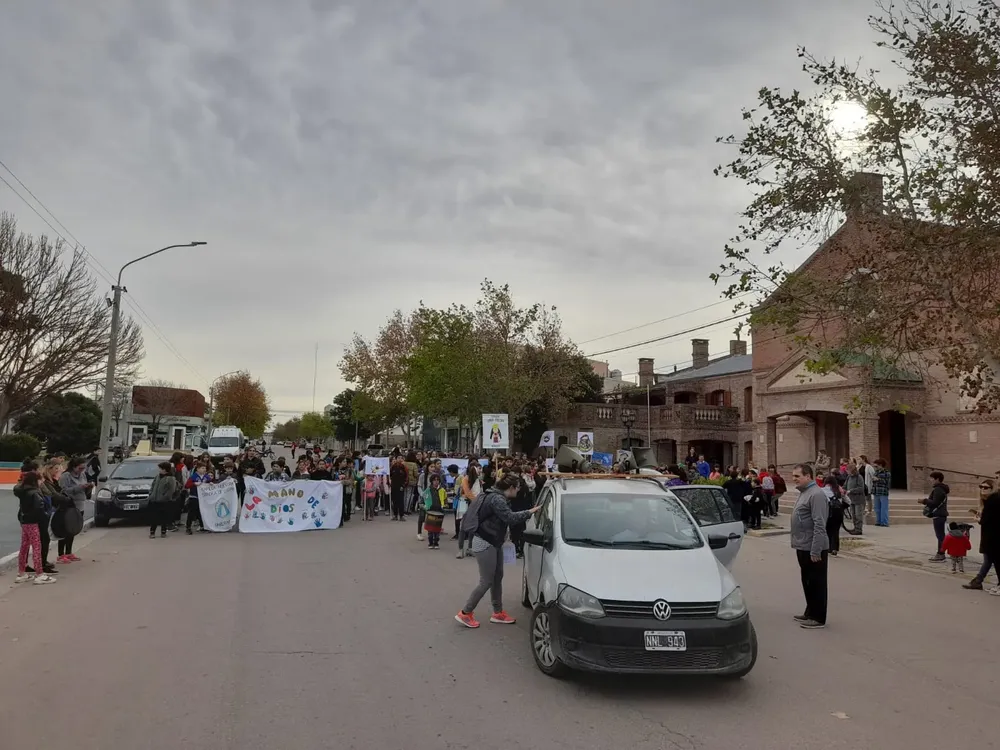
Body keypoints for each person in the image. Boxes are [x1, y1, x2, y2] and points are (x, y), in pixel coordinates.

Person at [455, 475, 540, 629]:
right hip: (485, 542)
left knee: (497, 577)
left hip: (494, 541)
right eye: (518, 488)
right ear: (512, 488)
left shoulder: (493, 495)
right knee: (486, 580)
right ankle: (465, 613)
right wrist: (530, 512)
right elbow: (510, 518)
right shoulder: (497, 499)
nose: (519, 491)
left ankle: (498, 612)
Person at [789, 463, 830, 629]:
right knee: (807, 581)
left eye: (797, 476)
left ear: (808, 476)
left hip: (813, 547)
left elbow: (820, 524)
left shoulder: (816, 495)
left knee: (816, 582)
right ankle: (809, 611)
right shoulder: (805, 493)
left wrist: (816, 549)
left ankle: (818, 617)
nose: (794, 479)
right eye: (793, 476)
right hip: (802, 545)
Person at [13, 471, 57, 585]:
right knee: (37, 546)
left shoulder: (22, 491)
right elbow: (39, 510)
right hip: (33, 522)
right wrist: (46, 515)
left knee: (24, 546)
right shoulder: (35, 493)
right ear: (35, 481)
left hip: (25, 521)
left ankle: (21, 573)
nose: (42, 481)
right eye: (40, 479)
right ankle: (39, 573)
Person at [964, 479, 1000, 593]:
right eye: (981, 487)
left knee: (994, 560)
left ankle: (979, 581)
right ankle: (978, 581)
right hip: (990, 535)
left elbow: (987, 520)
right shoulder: (989, 500)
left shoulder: (993, 500)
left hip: (992, 536)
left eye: (986, 487)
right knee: (989, 560)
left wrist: (979, 519)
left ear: (992, 488)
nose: (982, 489)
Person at [57, 457, 91, 562]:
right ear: (74, 467)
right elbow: (64, 491)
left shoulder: (82, 475)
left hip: (80, 505)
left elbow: (85, 490)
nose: (82, 470)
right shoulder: (66, 476)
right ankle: (61, 554)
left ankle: (69, 552)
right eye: (80, 468)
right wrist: (80, 487)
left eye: (84, 468)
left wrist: (89, 487)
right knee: (65, 529)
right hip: (69, 505)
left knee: (73, 530)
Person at [922, 471, 950, 562]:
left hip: (939, 514)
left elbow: (935, 503)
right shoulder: (941, 489)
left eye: (932, 478)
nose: (930, 480)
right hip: (940, 514)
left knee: (940, 535)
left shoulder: (938, 489)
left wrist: (924, 501)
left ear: (937, 479)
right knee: (940, 535)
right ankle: (941, 553)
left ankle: (941, 554)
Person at [148, 461, 179, 538]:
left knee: (164, 517)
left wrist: (164, 497)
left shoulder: (171, 478)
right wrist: (151, 494)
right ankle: (152, 532)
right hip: (154, 500)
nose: (159, 470)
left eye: (160, 468)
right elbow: (153, 485)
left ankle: (163, 531)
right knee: (153, 517)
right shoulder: (157, 476)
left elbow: (171, 490)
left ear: (165, 469)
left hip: (164, 501)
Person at [457, 463, 481, 558]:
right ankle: (460, 550)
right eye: (478, 469)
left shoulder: (478, 481)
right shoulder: (465, 479)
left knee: (473, 528)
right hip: (464, 503)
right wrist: (476, 501)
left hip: (474, 504)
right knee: (462, 528)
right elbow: (467, 493)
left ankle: (470, 548)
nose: (480, 471)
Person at [184, 462, 213, 534]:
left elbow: (210, 482)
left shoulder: (206, 477)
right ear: (198, 469)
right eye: (202, 468)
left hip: (203, 498)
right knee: (191, 513)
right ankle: (188, 527)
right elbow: (187, 485)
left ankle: (202, 526)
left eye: (205, 468)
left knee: (201, 512)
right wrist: (194, 484)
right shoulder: (194, 476)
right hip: (194, 497)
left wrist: (211, 483)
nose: (204, 469)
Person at [823, 473, 845, 556]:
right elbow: (848, 501)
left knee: (828, 529)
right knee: (836, 530)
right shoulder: (839, 489)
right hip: (838, 512)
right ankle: (834, 548)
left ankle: (828, 547)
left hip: (828, 512)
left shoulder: (822, 490)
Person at [422, 474, 447, 549]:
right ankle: (430, 543)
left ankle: (436, 542)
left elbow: (445, 500)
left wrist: (445, 505)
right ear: (431, 481)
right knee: (430, 529)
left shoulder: (442, 490)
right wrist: (425, 507)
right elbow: (423, 500)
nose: (436, 482)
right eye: (434, 480)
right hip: (430, 511)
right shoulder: (428, 490)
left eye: (437, 480)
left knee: (437, 529)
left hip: (439, 511)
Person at [843, 463, 866, 536]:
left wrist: (851, 491)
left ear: (852, 470)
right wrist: (842, 490)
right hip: (851, 499)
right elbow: (845, 485)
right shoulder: (849, 477)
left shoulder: (859, 477)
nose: (847, 472)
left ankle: (859, 529)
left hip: (858, 499)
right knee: (853, 515)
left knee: (858, 515)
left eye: (848, 470)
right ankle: (855, 528)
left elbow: (861, 488)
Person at [389, 455, 408, 521]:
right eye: (398, 458)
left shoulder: (404, 467)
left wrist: (403, 486)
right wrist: (389, 483)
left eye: (401, 458)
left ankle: (401, 515)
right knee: (394, 501)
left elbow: (406, 478)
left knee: (401, 501)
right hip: (394, 486)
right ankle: (395, 515)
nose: (400, 459)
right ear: (396, 459)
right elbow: (390, 476)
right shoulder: (393, 467)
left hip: (401, 487)